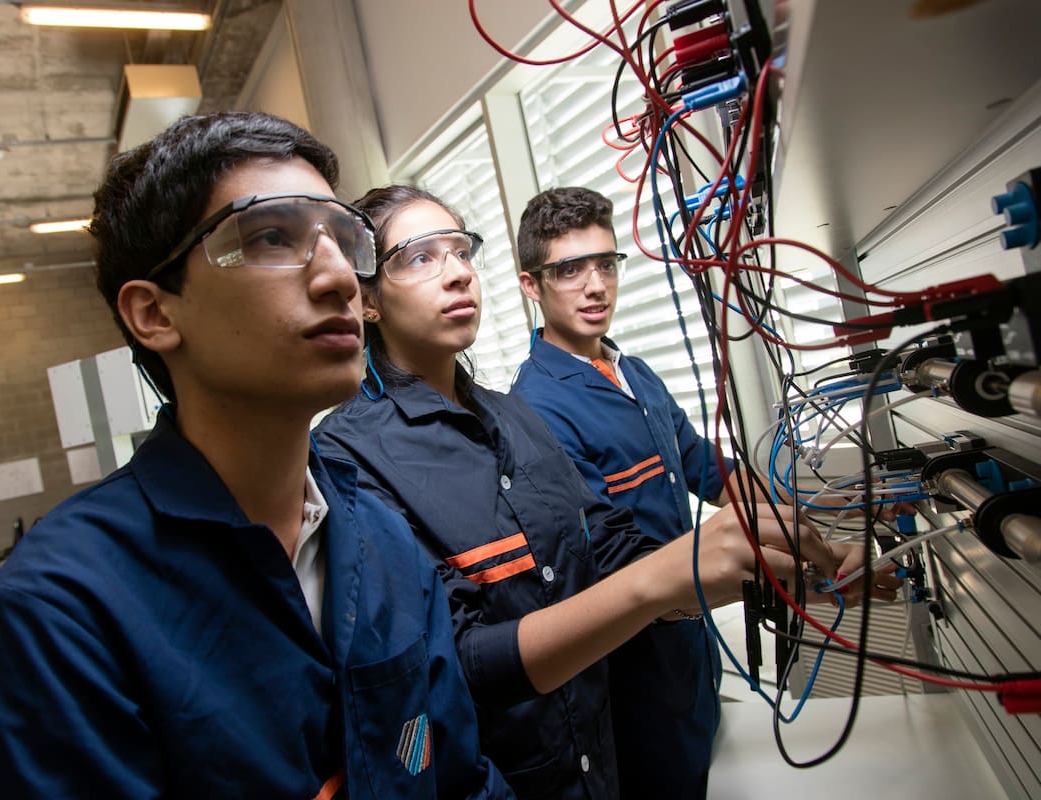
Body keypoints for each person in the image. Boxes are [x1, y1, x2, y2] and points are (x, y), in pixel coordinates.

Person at [0, 113, 513, 799]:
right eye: (272, 236)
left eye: (343, 240)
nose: (339, 279)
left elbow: (458, 777)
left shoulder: (382, 545)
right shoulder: (56, 618)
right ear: (155, 313)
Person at [312, 184, 856, 800]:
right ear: (370, 300)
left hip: (605, 763)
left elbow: (617, 551)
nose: (458, 274)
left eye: (462, 250)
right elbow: (453, 664)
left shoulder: (516, 419)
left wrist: (789, 574)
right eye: (420, 257)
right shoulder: (346, 455)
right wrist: (664, 578)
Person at [510, 186, 904, 798]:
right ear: (532, 285)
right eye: (569, 269)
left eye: (606, 263)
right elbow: (608, 566)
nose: (596, 286)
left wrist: (823, 531)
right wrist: (805, 575)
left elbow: (714, 474)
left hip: (693, 654)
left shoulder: (633, 371)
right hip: (639, 671)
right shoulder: (535, 407)